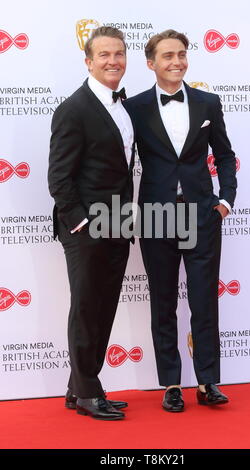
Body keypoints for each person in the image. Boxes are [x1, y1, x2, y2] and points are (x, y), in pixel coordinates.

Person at [125, 30, 237, 411]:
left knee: (205, 300)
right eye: (168, 55)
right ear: (151, 63)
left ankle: (207, 381)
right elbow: (121, 162)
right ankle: (170, 383)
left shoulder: (208, 103)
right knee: (163, 301)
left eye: (182, 54)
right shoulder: (134, 107)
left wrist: (225, 201)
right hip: (156, 216)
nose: (177, 61)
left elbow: (225, 155)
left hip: (202, 214)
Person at [48, 26, 134, 420]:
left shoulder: (124, 105)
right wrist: (80, 223)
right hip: (87, 229)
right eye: (104, 55)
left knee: (103, 308)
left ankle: (79, 386)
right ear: (88, 61)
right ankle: (87, 393)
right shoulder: (73, 108)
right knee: (87, 308)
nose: (113, 61)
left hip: (119, 224)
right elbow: (59, 178)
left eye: (119, 54)